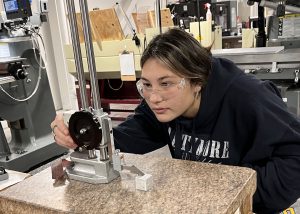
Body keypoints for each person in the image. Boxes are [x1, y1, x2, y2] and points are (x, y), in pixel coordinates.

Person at [51, 28, 300, 213]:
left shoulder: (248, 98)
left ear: (196, 82)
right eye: (146, 85)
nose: (154, 97)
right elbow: (132, 135)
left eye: (167, 83)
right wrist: (87, 138)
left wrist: (238, 193)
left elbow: (296, 158)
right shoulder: (160, 105)